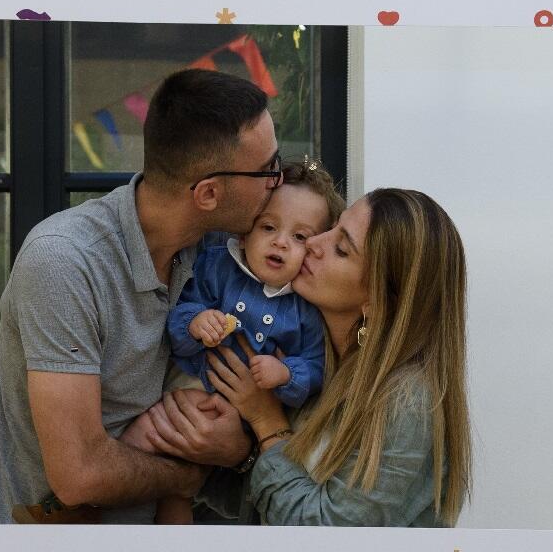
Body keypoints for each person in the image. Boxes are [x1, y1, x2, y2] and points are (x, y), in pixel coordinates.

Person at [0, 68, 278, 524]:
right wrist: (189, 477)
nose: (276, 182)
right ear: (208, 193)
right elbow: (78, 474)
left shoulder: (226, 253)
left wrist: (237, 450)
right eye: (266, 171)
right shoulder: (65, 262)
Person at [149, 188, 473, 526]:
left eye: (341, 248)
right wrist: (238, 452)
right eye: (331, 227)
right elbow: (269, 506)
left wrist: (267, 424)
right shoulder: (313, 358)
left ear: (378, 303)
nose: (315, 243)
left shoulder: (407, 401)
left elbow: (325, 533)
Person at [139, 161, 345, 523]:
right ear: (246, 232)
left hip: (244, 419)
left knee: (183, 481)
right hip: (192, 383)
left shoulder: (305, 308)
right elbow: (182, 312)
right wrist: (197, 324)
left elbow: (314, 368)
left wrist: (285, 373)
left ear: (314, 249)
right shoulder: (220, 265)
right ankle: (81, 510)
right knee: (151, 441)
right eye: (269, 227)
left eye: (300, 237)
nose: (281, 241)